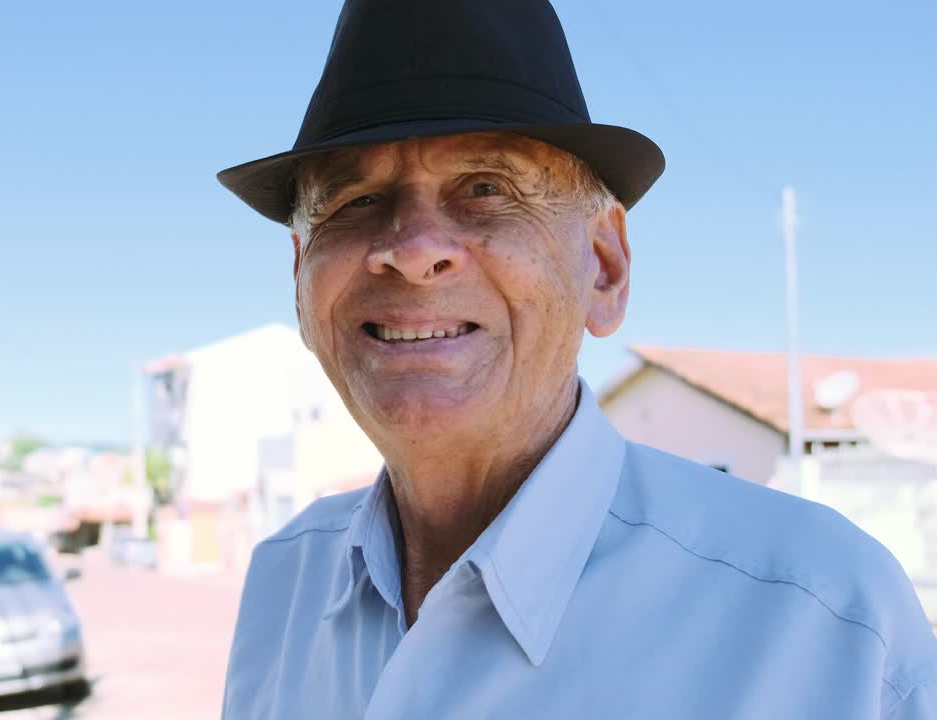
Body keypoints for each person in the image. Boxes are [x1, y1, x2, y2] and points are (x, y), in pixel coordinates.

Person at [215, 1, 937, 718]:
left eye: (486, 188)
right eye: (358, 197)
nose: (410, 249)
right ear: (301, 278)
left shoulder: (827, 624)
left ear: (604, 268)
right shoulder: (284, 582)